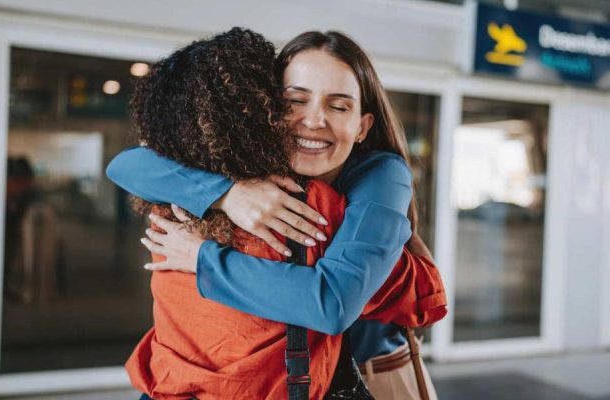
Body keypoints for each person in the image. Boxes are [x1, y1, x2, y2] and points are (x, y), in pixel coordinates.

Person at [109, 29, 445, 399]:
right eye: (294, 101)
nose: (314, 120)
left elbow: (332, 303)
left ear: (363, 126)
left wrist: (202, 258)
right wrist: (228, 195)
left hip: (368, 363)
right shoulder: (256, 172)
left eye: (338, 106)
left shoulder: (381, 176)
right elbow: (127, 165)